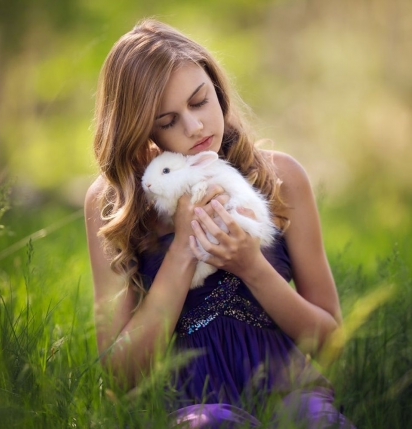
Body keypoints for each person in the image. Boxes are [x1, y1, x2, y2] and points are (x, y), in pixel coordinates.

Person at [84, 18, 355, 428]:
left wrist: (251, 265)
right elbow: (121, 374)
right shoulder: (114, 204)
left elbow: (331, 340)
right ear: (141, 130)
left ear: (216, 87)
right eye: (168, 120)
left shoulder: (280, 178)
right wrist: (181, 251)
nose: (195, 128)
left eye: (199, 101)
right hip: (189, 403)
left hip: (289, 389)